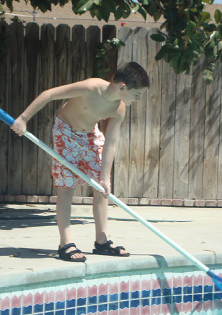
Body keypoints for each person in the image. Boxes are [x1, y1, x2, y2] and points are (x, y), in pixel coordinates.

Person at [10, 62, 150, 262]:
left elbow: (110, 143)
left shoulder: (119, 109)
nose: (137, 100)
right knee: (67, 187)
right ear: (122, 87)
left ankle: (101, 241)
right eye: (137, 95)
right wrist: (23, 118)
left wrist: (105, 177)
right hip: (66, 131)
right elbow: (49, 94)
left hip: (91, 135)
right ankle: (65, 243)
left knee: (101, 188)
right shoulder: (91, 87)